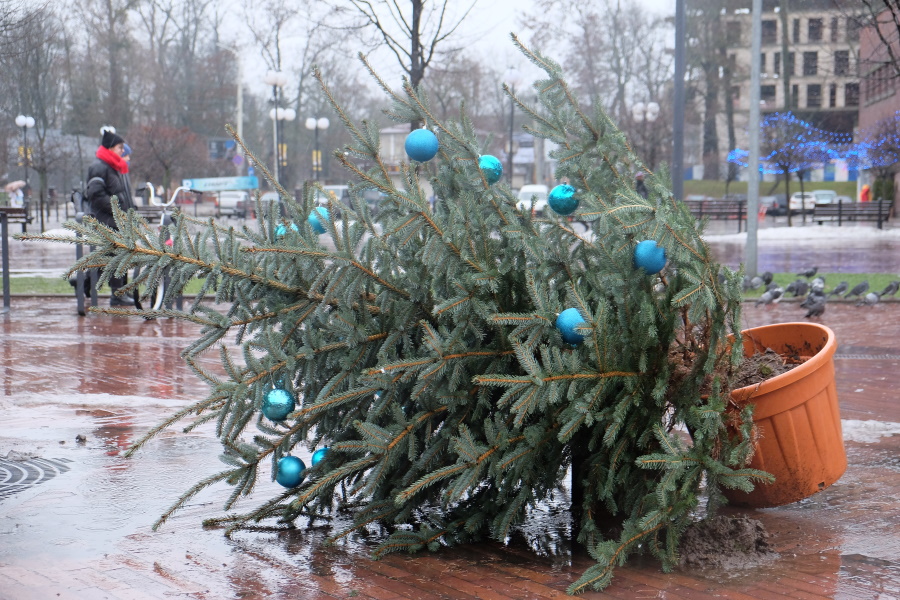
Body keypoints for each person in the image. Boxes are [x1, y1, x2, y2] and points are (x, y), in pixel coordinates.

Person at [86, 129, 135, 306]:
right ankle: (118, 295)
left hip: (118, 220)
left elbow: (122, 194)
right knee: (116, 258)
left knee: (114, 258)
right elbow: (96, 195)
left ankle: (84, 283)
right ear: (110, 148)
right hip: (108, 220)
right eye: (120, 147)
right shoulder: (100, 167)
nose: (123, 150)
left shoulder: (115, 166)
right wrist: (117, 211)